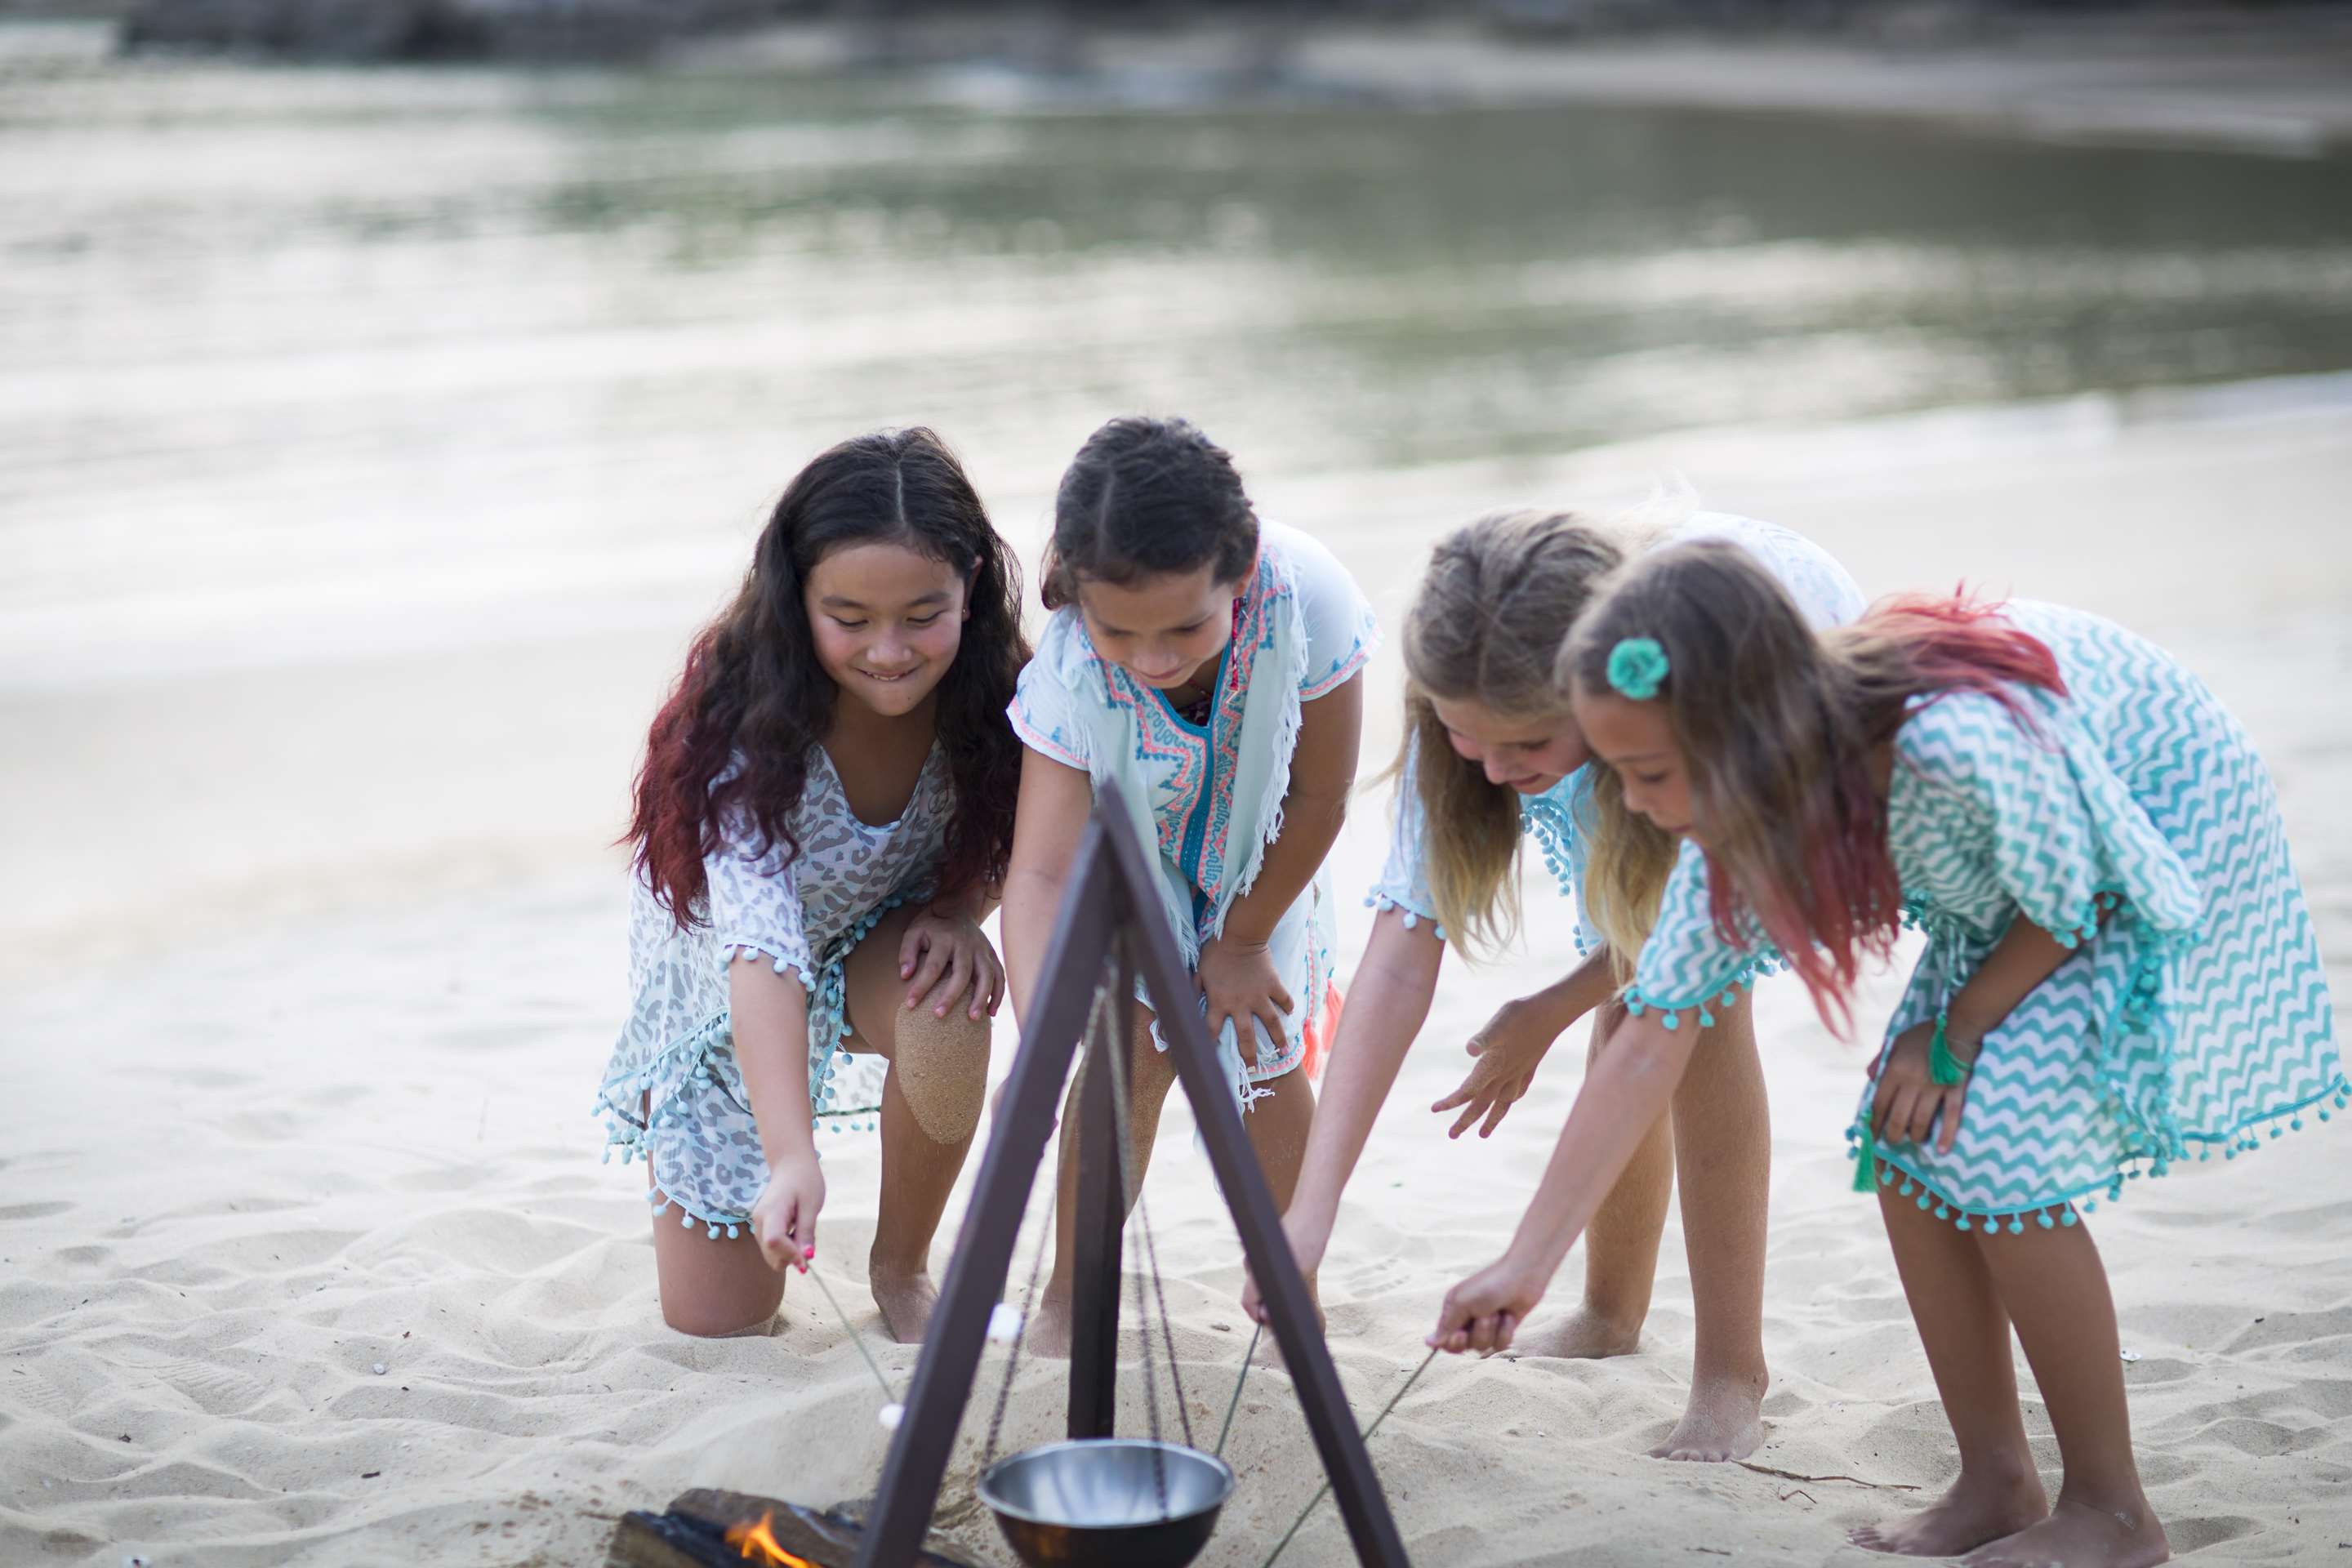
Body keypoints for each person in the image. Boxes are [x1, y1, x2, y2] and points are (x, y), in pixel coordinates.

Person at [1436, 539, 2342, 1568]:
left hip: (2142, 835)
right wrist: (1524, 1262)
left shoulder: (1953, 745)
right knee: (1905, 1140)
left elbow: (2078, 897)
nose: (1635, 807)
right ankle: (1997, 1480)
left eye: (1649, 773)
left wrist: (1951, 1030)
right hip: (2015, 887)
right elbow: (1650, 1036)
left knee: (1995, 1149)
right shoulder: (1732, 809)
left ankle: (2114, 1512)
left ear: (1748, 729)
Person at [1250, 505, 1863, 1463]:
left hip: (1759, 692)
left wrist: (1546, 1009)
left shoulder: (1672, 716)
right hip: (1636, 704)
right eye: (1466, 738)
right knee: (1626, 1014)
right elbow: (1402, 953)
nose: (1495, 771)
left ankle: (1731, 1376)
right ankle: (1610, 1316)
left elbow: (1682, 954)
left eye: (1526, 746)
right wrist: (1310, 1216)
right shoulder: (1469, 700)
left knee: (1695, 1018)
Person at [597, 428, 1029, 1343]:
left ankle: (901, 1263)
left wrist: (958, 910)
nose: (889, 651)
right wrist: (792, 1156)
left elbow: (1033, 828)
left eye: (924, 615)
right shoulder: (746, 725)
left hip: (886, 941)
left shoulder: (996, 690)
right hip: (728, 999)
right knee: (719, 1324)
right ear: (798, 602)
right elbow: (760, 952)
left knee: (949, 999)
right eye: (851, 617)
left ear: (972, 592)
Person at [1002, 415, 1379, 1354]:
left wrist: (1243, 941)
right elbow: (1042, 870)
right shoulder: (1069, 667)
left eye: (1186, 626)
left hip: (1269, 851)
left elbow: (1323, 795)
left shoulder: (1310, 598)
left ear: (1240, 573)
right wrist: (1040, 1028)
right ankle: (1067, 1301)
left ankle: (1295, 1294)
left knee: (1262, 1043)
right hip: (1134, 856)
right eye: (1120, 629)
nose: (1155, 656)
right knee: (1123, 1048)